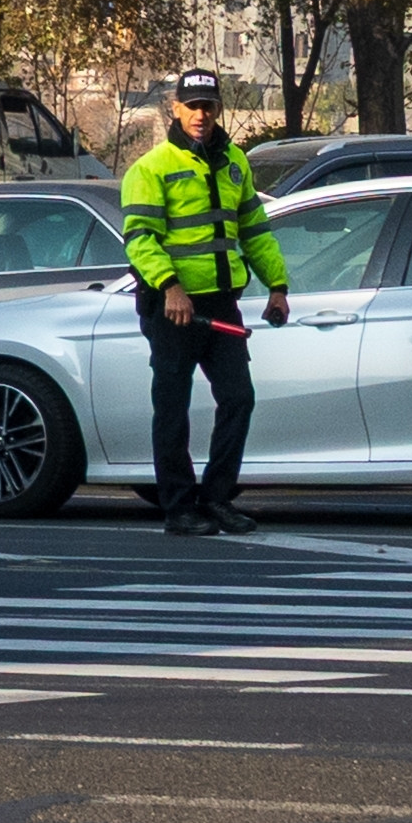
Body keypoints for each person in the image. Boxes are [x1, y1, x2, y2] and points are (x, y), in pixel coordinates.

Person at [116, 73, 281, 529]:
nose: (200, 114)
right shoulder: (151, 168)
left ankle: (216, 498)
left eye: (208, 105)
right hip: (172, 309)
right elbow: (140, 240)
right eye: (192, 105)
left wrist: (277, 286)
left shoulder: (234, 163)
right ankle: (179, 507)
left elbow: (253, 231)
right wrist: (170, 287)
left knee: (239, 399)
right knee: (172, 409)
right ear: (175, 107)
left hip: (220, 306)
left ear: (219, 108)